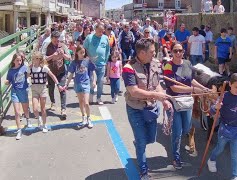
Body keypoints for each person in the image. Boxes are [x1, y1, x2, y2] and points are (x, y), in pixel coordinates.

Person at [122, 38, 172, 179]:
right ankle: (143, 170)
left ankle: (139, 142)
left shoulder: (155, 63)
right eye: (152, 51)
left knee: (151, 138)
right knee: (142, 141)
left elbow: (156, 84)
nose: (155, 53)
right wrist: (156, 95)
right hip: (135, 108)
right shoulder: (128, 68)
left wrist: (163, 99)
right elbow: (134, 92)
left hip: (151, 108)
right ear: (142, 53)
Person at [163, 42, 208, 169]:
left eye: (180, 51)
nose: (178, 53)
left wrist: (204, 88)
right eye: (176, 51)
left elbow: (192, 80)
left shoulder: (188, 63)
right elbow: (173, 87)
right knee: (177, 131)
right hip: (174, 102)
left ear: (184, 52)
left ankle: (177, 147)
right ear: (171, 52)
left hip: (186, 102)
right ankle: (176, 158)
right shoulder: (168, 66)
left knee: (186, 128)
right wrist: (192, 90)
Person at [207, 73, 237, 180]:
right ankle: (211, 159)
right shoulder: (224, 96)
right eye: (235, 87)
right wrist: (216, 106)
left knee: (235, 154)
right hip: (225, 128)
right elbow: (211, 111)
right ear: (230, 84)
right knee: (219, 148)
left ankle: (235, 176)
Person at [29, 51, 62, 133]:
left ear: (40, 59)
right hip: (34, 88)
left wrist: (58, 84)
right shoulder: (30, 68)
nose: (34, 60)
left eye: (36, 59)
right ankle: (39, 118)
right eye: (33, 59)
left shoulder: (44, 67)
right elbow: (25, 76)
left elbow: (52, 75)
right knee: (35, 109)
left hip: (43, 88)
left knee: (43, 109)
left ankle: (44, 125)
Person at [65, 45, 96, 128]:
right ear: (77, 53)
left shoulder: (87, 61)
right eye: (81, 52)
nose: (82, 54)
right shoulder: (74, 62)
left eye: (83, 52)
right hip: (77, 84)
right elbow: (71, 74)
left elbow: (92, 71)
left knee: (86, 102)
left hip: (86, 83)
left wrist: (93, 81)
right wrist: (67, 84)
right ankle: (83, 117)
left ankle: (89, 118)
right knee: (81, 102)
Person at [42, 31, 71, 118]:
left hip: (61, 71)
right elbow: (43, 59)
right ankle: (53, 102)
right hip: (51, 72)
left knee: (62, 89)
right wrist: (52, 56)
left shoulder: (63, 46)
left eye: (58, 40)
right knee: (51, 89)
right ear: (51, 39)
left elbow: (69, 58)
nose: (56, 42)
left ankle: (63, 109)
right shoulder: (47, 46)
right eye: (55, 41)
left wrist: (63, 55)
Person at [5, 53, 30, 140]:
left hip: (23, 90)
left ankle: (27, 119)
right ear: (13, 61)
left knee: (25, 109)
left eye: (20, 60)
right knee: (17, 111)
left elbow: (29, 74)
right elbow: (8, 79)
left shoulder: (24, 68)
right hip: (14, 91)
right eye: (17, 60)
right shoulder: (11, 70)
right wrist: (7, 81)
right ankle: (19, 130)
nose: (19, 62)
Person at [84, 23, 110, 105]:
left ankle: (99, 97)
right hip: (91, 64)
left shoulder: (105, 38)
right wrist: (89, 58)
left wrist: (105, 61)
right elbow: (84, 48)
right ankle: (91, 95)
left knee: (101, 81)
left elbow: (107, 50)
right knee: (92, 81)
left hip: (102, 64)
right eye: (99, 31)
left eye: (102, 31)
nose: (101, 33)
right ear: (95, 30)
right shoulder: (89, 37)